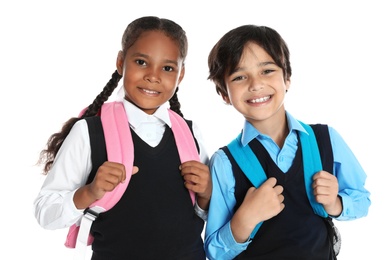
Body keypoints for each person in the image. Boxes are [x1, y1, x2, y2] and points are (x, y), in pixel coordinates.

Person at [34, 16, 211, 260]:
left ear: (180, 75)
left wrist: (206, 195)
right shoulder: (90, 132)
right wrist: (89, 192)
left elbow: (205, 216)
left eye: (168, 68)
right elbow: (45, 212)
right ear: (120, 62)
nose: (153, 76)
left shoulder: (191, 134)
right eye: (141, 62)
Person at [204, 24, 371, 260]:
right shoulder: (224, 162)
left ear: (287, 78)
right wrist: (245, 219)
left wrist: (335, 203)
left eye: (267, 71)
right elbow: (213, 251)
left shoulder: (326, 139)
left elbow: (362, 200)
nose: (255, 84)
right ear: (224, 93)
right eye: (240, 76)